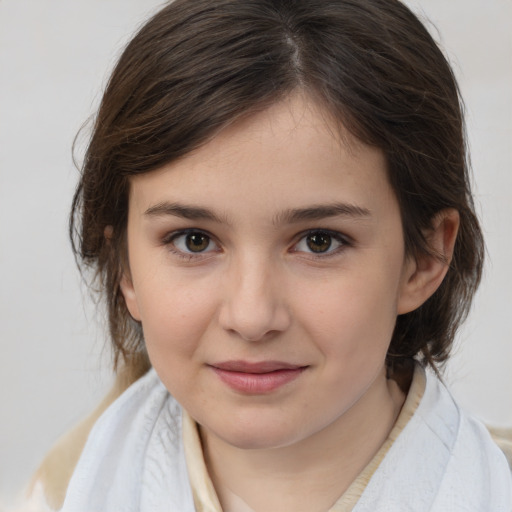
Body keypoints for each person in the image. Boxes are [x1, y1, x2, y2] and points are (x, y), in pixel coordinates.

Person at [26, 0, 512, 510]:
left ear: (425, 257)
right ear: (124, 264)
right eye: (194, 240)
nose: (253, 316)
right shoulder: (63, 490)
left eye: (319, 241)